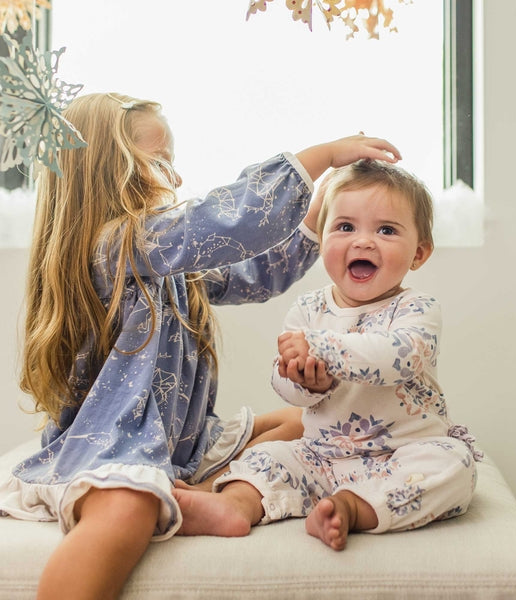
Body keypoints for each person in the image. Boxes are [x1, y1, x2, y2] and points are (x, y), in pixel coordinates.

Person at [0, 91, 401, 599]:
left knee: (308, 420)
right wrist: (320, 154)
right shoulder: (116, 246)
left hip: (180, 444)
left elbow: (256, 273)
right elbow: (224, 222)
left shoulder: (166, 260)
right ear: (108, 169)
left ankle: (203, 492)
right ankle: (151, 497)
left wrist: (317, 205)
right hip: (113, 447)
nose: (177, 179)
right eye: (161, 162)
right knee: (126, 507)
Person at [173, 159, 482, 551]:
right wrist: (305, 382)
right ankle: (232, 505)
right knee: (269, 457)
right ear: (321, 241)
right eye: (345, 227)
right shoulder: (308, 310)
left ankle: (353, 509)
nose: (363, 241)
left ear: (419, 253)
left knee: (455, 465)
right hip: (320, 458)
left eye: (386, 230)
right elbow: (284, 384)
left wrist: (321, 349)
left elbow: (397, 358)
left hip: (402, 453)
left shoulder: (416, 309)